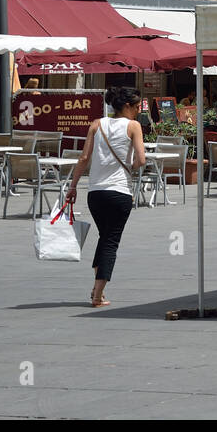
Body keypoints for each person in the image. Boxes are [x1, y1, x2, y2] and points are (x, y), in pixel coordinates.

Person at [64, 86, 146, 308]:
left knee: (104, 237)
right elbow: (141, 159)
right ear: (126, 106)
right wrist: (129, 167)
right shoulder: (133, 126)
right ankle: (97, 294)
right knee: (111, 241)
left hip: (96, 193)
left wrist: (72, 187)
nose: (138, 110)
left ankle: (97, 288)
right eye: (137, 106)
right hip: (119, 192)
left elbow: (83, 158)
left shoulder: (97, 124)